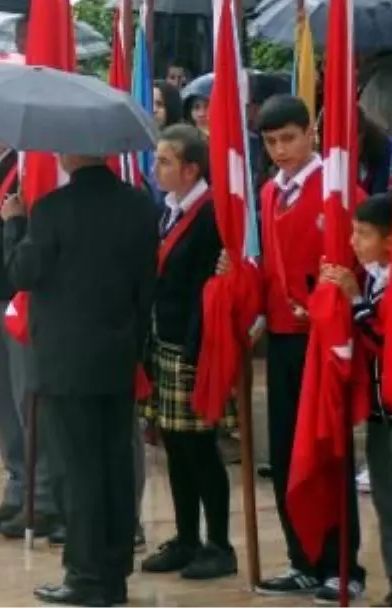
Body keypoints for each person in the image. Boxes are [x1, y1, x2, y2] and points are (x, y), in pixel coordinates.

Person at [4, 153, 159, 606]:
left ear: (73, 153)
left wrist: (15, 224)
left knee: (78, 471)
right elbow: (146, 282)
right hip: (117, 354)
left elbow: (22, 271)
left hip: (67, 361)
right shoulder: (138, 206)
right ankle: (113, 573)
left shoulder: (52, 208)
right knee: (113, 465)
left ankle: (86, 575)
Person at [232, 94, 366, 599]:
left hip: (324, 340)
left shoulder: (338, 189)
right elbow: (267, 263)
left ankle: (342, 565)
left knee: (326, 453)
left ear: (311, 134)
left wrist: (337, 304)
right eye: (271, 142)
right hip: (285, 340)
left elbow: (362, 257)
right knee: (287, 454)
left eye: (289, 138)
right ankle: (302, 557)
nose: (281, 150)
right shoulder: (268, 193)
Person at [140, 125, 236, 581]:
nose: (156, 168)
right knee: (173, 447)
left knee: (200, 448)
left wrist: (199, 353)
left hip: (193, 344)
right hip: (165, 339)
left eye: (164, 161)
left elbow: (207, 286)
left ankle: (219, 542)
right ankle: (185, 536)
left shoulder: (210, 212)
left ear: (191, 168)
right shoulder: (170, 210)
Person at [322, 194, 392, 607]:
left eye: (363, 234)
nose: (354, 241)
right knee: (385, 498)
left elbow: (384, 340)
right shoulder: (373, 275)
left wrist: (355, 300)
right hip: (376, 410)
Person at [0, 140, 57, 538]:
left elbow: (15, 233)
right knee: (3, 399)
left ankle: (41, 495)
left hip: (18, 296)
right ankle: (16, 484)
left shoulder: (26, 166)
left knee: (27, 398)